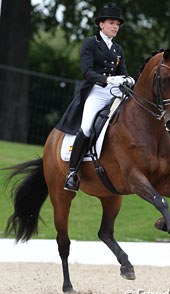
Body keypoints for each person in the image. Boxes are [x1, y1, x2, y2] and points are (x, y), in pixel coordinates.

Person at [61, 3, 135, 192]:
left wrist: (128, 79)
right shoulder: (90, 43)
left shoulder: (118, 49)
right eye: (111, 23)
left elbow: (123, 72)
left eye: (117, 24)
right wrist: (109, 79)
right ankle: (72, 173)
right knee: (86, 128)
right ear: (101, 24)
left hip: (115, 91)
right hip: (96, 90)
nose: (115, 27)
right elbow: (87, 72)